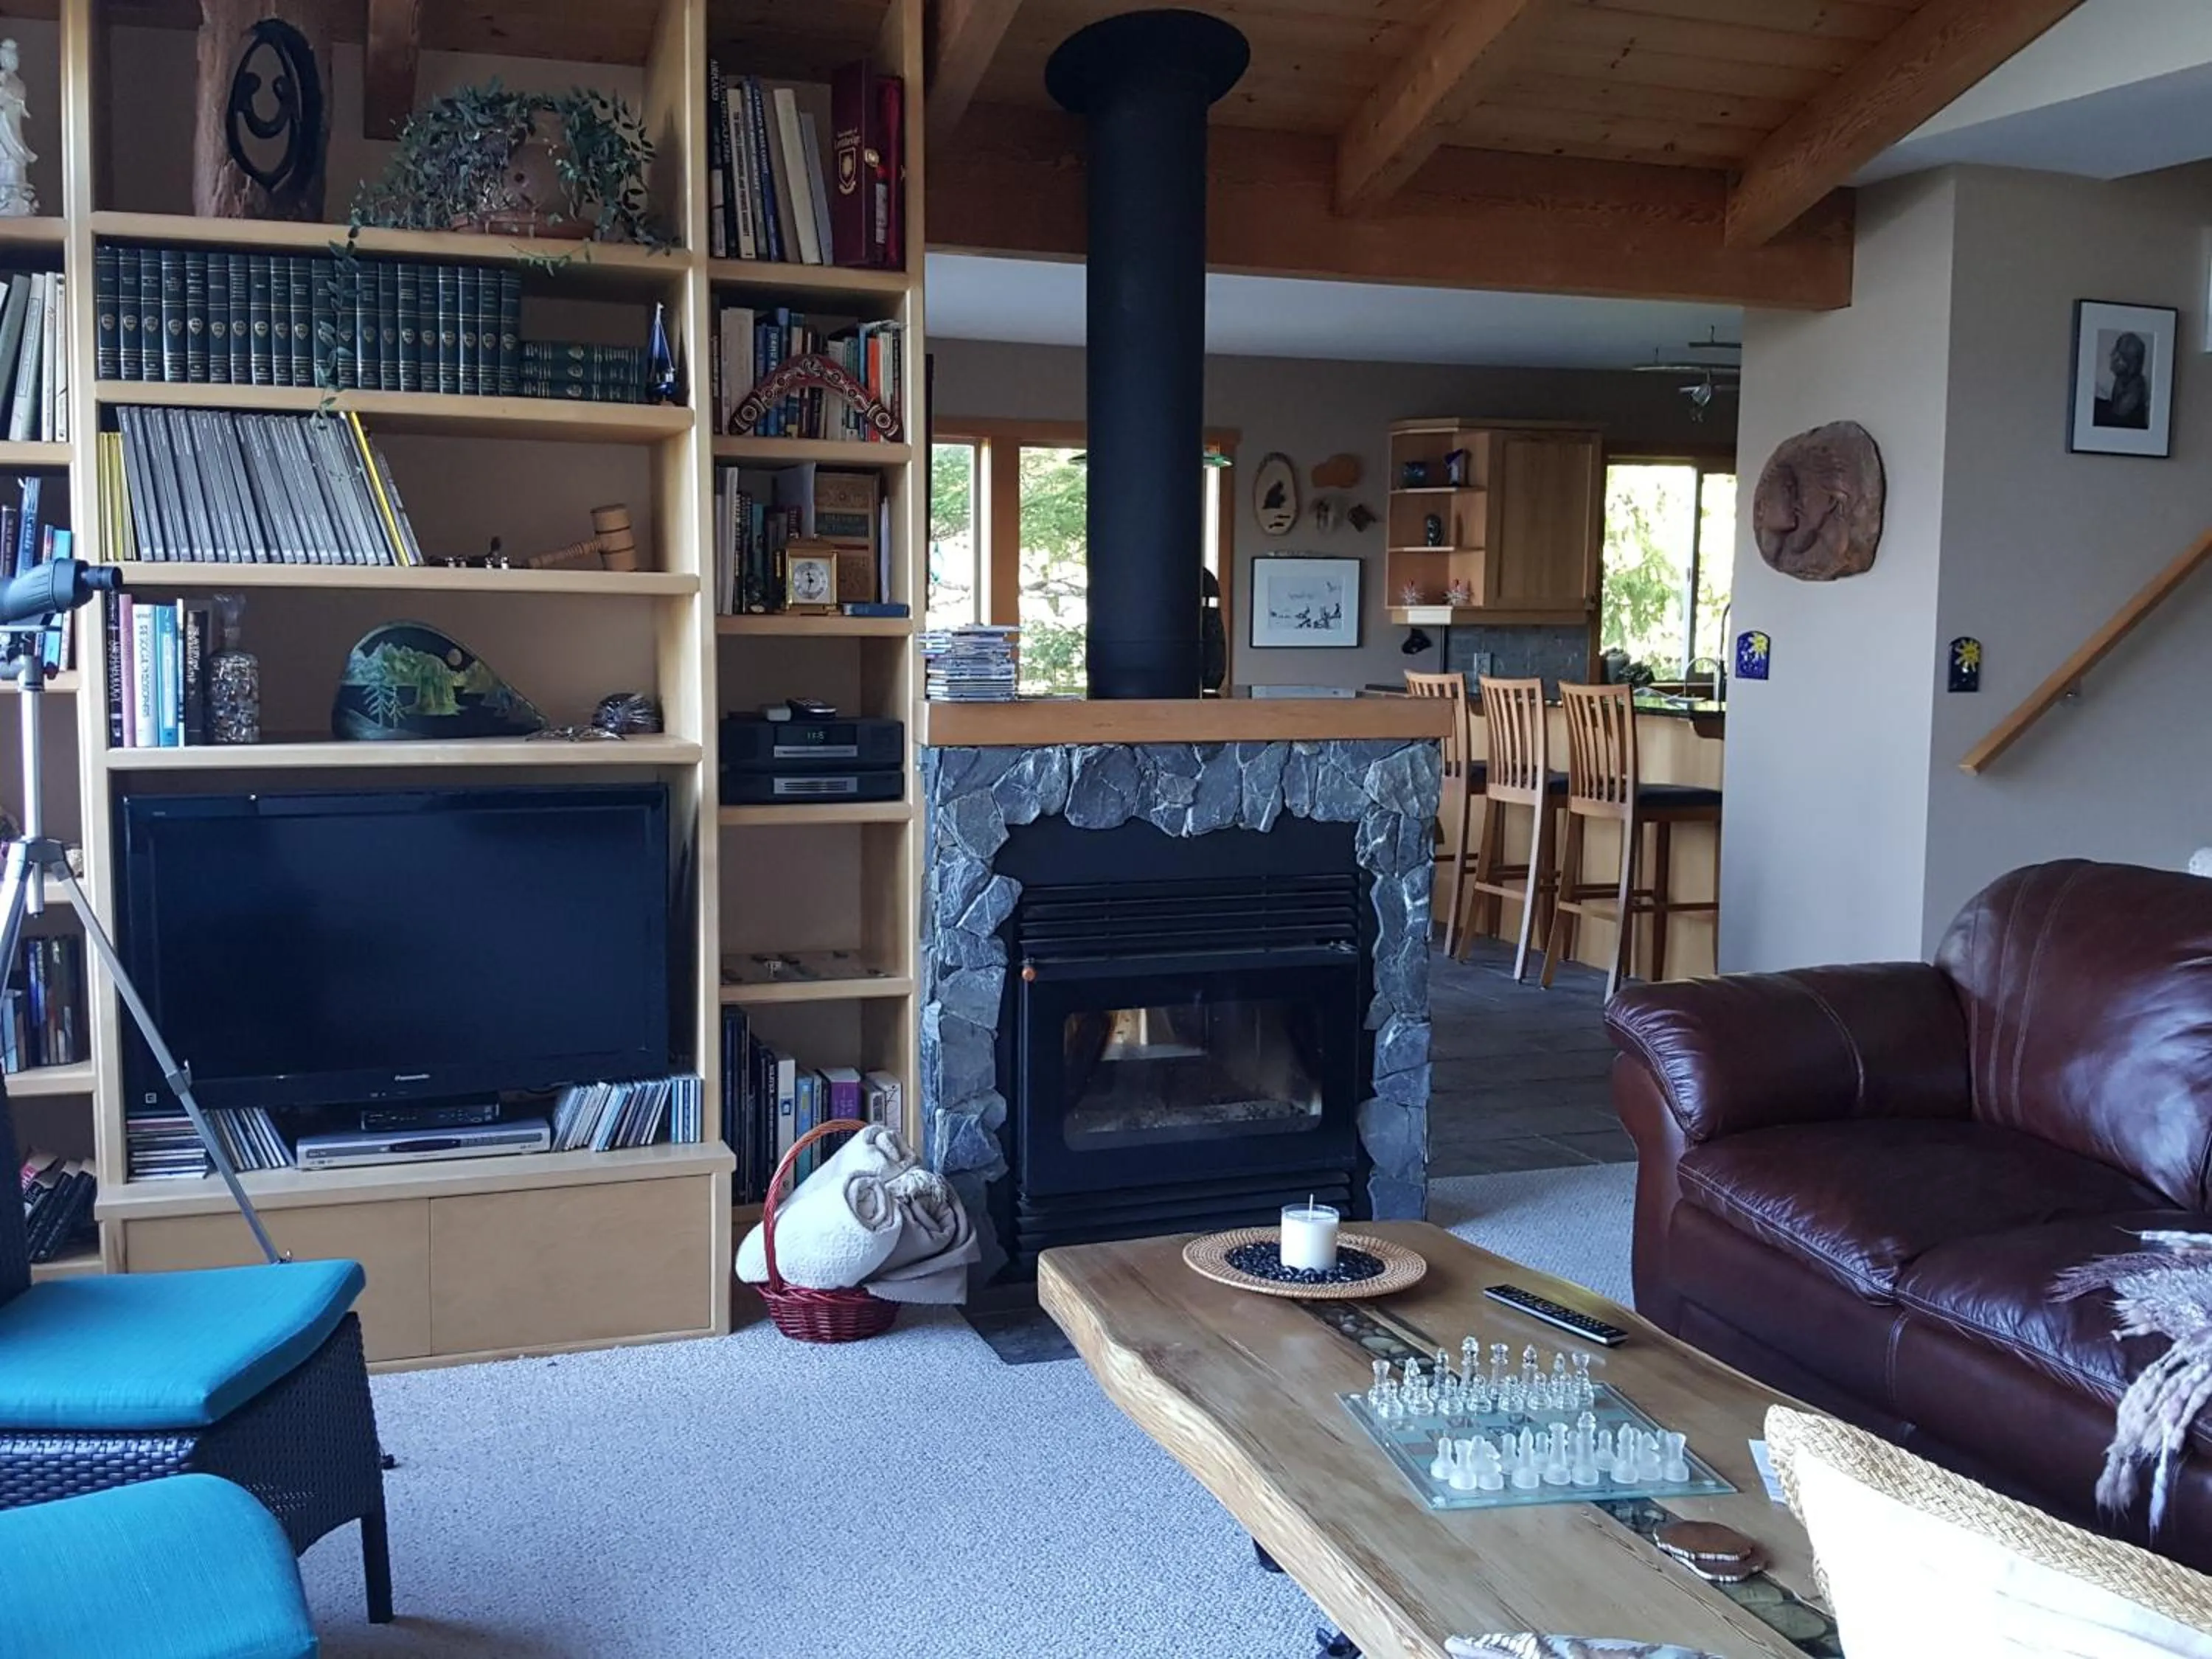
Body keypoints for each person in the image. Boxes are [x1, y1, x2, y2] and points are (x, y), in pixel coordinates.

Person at [2096, 330, 2150, 428]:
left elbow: (2118, 416)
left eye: (2117, 353)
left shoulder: (2136, 387)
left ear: (2128, 362)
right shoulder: (2121, 380)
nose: (2112, 355)